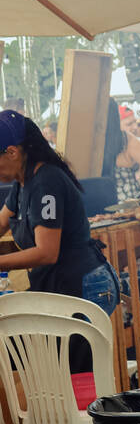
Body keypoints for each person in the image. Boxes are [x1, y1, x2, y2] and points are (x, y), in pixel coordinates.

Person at [0, 111, 119, 318]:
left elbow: (47, 252)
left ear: (11, 152)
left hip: (83, 286)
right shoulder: (21, 184)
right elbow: (1, 222)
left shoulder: (46, 182)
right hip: (59, 285)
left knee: (69, 351)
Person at [104, 100, 140, 203]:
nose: (135, 127)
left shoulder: (90, 143)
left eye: (135, 122)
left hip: (102, 209)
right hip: (129, 208)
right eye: (130, 123)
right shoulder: (126, 139)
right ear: (116, 120)